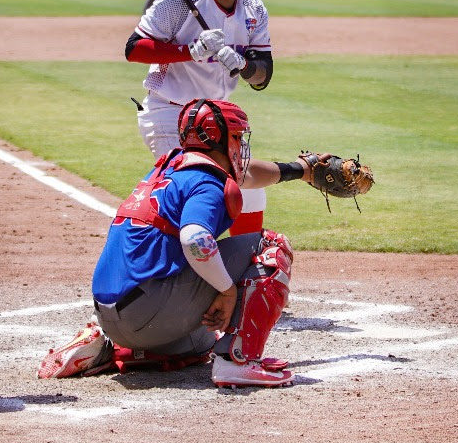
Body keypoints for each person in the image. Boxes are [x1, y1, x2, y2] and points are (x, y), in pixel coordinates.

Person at [40, 99, 326, 388]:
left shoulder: (170, 168)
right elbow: (195, 238)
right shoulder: (206, 182)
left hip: (112, 316)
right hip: (148, 309)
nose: (241, 146)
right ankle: (239, 362)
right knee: (271, 246)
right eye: (237, 137)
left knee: (203, 340)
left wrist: (301, 169)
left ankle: (110, 347)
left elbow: (247, 175)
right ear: (221, 139)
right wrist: (227, 292)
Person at [126, 0, 275, 238]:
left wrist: (244, 65)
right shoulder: (180, 2)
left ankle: (246, 271)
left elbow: (262, 77)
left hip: (218, 120)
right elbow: (134, 49)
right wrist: (189, 51)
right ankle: (182, 271)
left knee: (249, 192)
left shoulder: (255, 9)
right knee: (199, 191)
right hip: (170, 114)